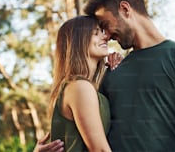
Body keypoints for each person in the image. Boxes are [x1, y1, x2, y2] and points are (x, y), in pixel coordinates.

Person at [35, 0, 175, 152]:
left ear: (125, 9)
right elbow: (76, 130)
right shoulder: (110, 71)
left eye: (105, 26)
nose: (108, 36)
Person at [35, 16, 122, 152]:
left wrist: (115, 71)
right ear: (78, 41)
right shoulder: (79, 87)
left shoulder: (83, 87)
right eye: (96, 33)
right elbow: (100, 150)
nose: (105, 37)